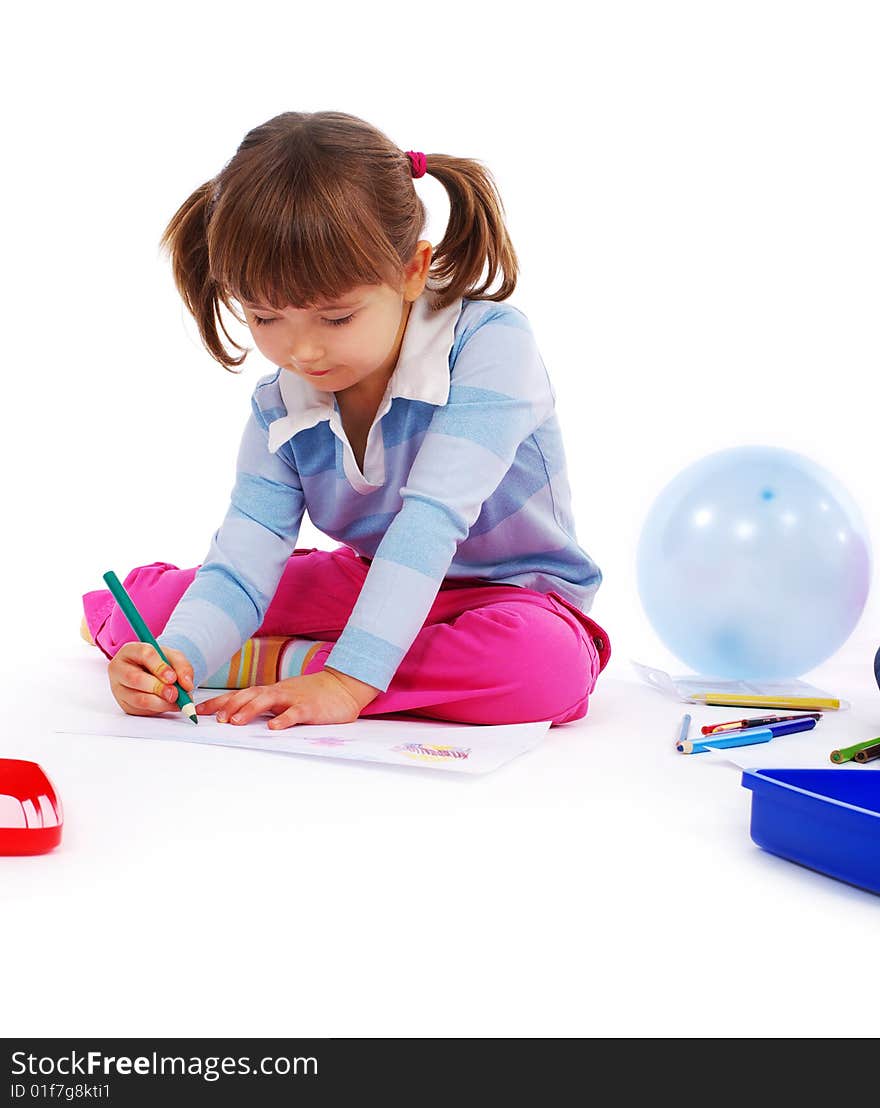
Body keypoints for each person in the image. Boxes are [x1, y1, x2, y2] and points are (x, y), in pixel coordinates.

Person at [82, 110, 609, 730]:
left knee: (540, 667)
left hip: (515, 597)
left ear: (412, 272)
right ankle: (220, 653)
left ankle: (301, 668)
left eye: (335, 319)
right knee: (155, 613)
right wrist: (174, 659)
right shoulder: (280, 403)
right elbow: (244, 565)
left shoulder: (489, 346)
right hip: (371, 585)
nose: (302, 353)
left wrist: (347, 682)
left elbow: (431, 520)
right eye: (266, 318)